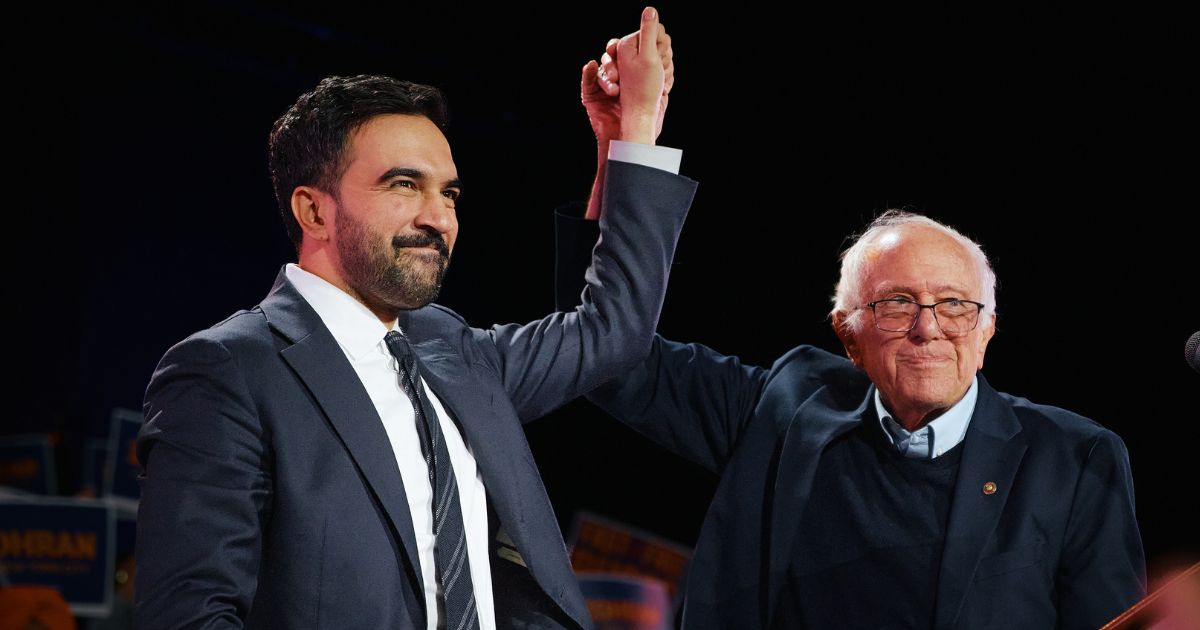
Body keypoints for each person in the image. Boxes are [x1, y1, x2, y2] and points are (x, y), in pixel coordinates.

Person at [135, 8, 696, 629]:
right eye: (403, 185)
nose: (439, 218)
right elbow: (189, 618)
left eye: (448, 193)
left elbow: (612, 330)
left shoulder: (452, 347)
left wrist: (628, 136)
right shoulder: (228, 371)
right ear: (314, 212)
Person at [559, 210, 1145, 628]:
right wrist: (625, 146)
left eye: (954, 305)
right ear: (848, 335)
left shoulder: (1073, 459)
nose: (928, 328)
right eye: (897, 303)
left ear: (987, 328)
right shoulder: (785, 405)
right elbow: (603, 354)